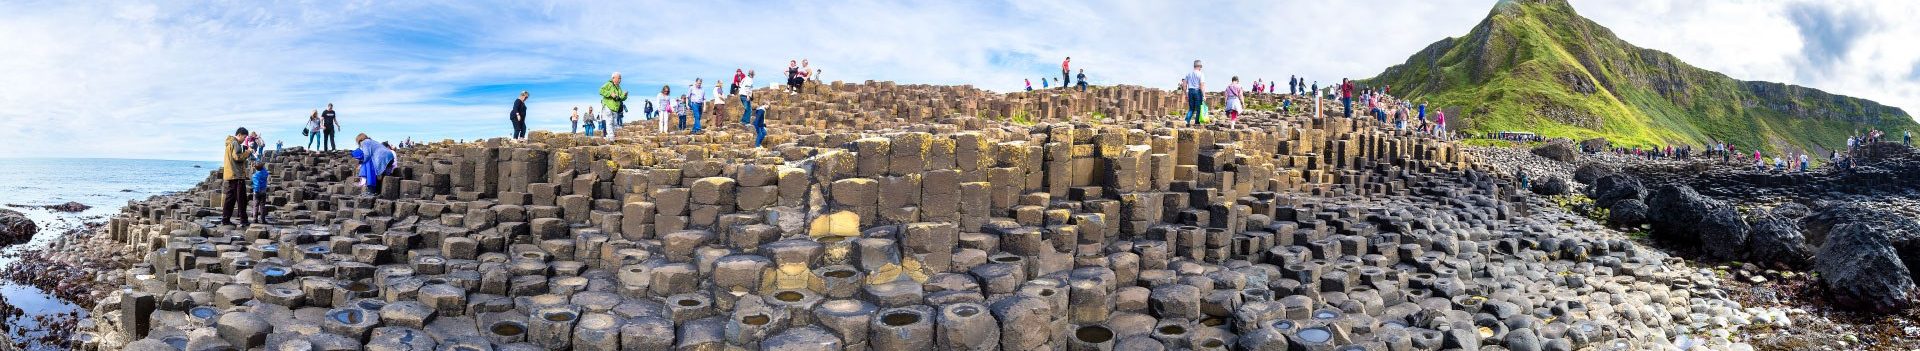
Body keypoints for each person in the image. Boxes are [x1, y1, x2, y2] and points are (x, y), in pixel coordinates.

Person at [220, 127, 251, 226]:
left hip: (231, 175)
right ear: (239, 135)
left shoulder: (229, 144)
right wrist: (248, 152)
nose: (244, 140)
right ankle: (244, 220)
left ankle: (225, 219)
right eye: (244, 137)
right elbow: (237, 157)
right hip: (237, 175)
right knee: (242, 199)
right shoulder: (235, 143)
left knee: (230, 199)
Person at [600, 72, 628, 137]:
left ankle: (611, 136)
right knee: (609, 120)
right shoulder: (609, 84)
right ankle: (610, 136)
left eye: (620, 78)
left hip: (615, 108)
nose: (620, 80)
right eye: (619, 78)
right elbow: (601, 90)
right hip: (608, 105)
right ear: (613, 78)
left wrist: (625, 95)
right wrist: (610, 94)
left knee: (614, 122)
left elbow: (621, 98)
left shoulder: (619, 88)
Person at [1184, 60, 1205, 126]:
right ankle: (1197, 123)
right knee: (1198, 109)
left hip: (1190, 91)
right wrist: (1204, 95)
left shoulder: (1188, 74)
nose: (1201, 68)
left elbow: (1184, 85)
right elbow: (1202, 85)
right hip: (1197, 91)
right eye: (1200, 67)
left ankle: (1187, 121)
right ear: (1199, 66)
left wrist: (1186, 94)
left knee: (1191, 108)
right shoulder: (1201, 74)